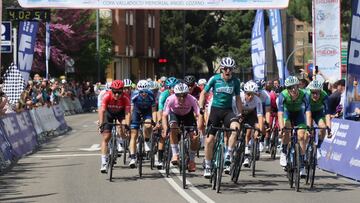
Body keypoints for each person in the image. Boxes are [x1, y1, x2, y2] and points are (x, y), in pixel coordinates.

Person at [198, 56, 243, 178]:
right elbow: (203, 93)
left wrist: (240, 114)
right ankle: (207, 166)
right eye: (226, 69)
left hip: (228, 111)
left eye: (230, 69)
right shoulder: (215, 79)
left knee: (236, 128)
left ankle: (228, 154)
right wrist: (201, 107)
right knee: (209, 140)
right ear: (222, 69)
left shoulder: (235, 81)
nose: (228, 71)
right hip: (215, 111)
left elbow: (238, 99)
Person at [278, 76, 312, 178]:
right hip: (287, 114)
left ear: (298, 86)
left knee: (301, 136)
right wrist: (281, 128)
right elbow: (280, 114)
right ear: (287, 88)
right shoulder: (282, 95)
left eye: (295, 87)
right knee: (286, 129)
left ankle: (301, 163)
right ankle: (284, 151)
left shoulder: (304, 94)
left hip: (299, 114)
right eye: (290, 87)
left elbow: (308, 112)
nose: (293, 89)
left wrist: (309, 127)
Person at [162, 83, 200, 172]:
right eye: (179, 95)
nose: (182, 98)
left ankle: (191, 160)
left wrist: (199, 127)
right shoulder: (170, 99)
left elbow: (199, 114)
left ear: (188, 94)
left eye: (184, 95)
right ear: (175, 94)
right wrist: (165, 129)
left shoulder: (192, 99)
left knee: (194, 137)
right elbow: (164, 115)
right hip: (174, 114)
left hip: (188, 115)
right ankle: (175, 154)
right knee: (172, 128)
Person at [98, 80, 131, 173]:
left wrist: (127, 125)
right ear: (111, 90)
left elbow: (127, 113)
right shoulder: (107, 96)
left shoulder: (126, 97)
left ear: (122, 91)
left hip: (120, 113)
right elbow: (102, 111)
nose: (117, 94)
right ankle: (104, 162)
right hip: (109, 114)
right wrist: (101, 124)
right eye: (114, 92)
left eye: (119, 92)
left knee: (123, 127)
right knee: (106, 137)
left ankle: (123, 142)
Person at [234, 81, 263, 167]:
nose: (250, 97)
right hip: (239, 113)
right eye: (248, 94)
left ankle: (246, 150)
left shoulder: (257, 101)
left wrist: (259, 130)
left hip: (250, 115)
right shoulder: (240, 97)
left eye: (252, 94)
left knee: (251, 130)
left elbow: (260, 116)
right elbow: (234, 111)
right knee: (236, 129)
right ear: (245, 92)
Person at [128, 80, 156, 168]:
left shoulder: (151, 95)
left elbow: (154, 111)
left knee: (148, 125)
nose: (144, 94)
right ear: (138, 91)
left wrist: (153, 122)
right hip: (136, 111)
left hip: (147, 112)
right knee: (134, 134)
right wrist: (129, 122)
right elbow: (131, 109)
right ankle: (133, 158)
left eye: (145, 91)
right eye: (142, 92)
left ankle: (147, 141)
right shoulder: (135, 95)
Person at [155, 77, 179, 168]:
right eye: (170, 87)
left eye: (174, 87)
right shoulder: (163, 95)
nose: (172, 90)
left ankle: (176, 152)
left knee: (177, 131)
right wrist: (159, 121)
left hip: (176, 112)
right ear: (167, 88)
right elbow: (160, 110)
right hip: (165, 112)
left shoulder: (179, 94)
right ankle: (160, 159)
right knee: (162, 135)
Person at [306, 80, 332, 158]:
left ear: (321, 91)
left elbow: (327, 114)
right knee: (308, 129)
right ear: (310, 91)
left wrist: (329, 129)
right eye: (313, 92)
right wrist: (308, 127)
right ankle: (307, 145)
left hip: (318, 112)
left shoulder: (324, 95)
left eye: (317, 92)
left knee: (323, 127)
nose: (315, 95)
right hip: (307, 112)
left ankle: (318, 147)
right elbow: (308, 114)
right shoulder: (306, 95)